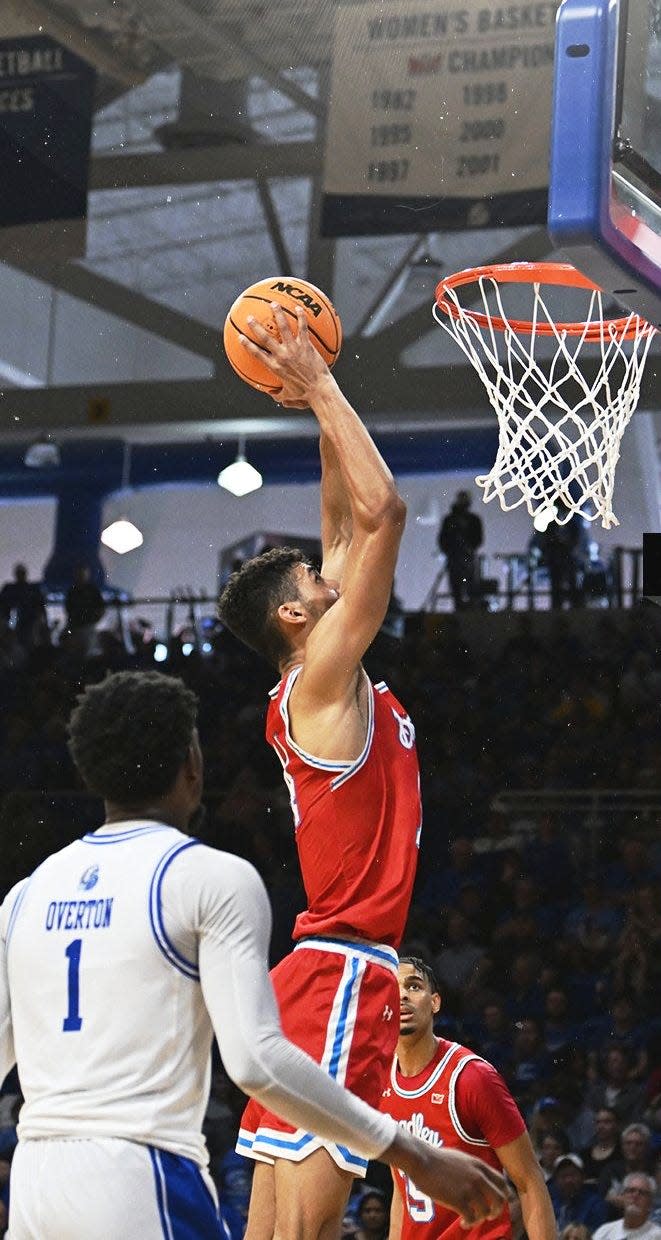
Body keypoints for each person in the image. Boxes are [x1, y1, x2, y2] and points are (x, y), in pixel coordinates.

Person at [0, 671, 506, 1240]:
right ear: (192, 762)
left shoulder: (25, 896)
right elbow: (254, 1062)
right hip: (138, 1174)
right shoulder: (210, 877)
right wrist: (414, 1154)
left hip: (34, 1180)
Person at [217, 306, 423, 1238]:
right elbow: (384, 513)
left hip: (317, 971)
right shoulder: (324, 678)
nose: (329, 576)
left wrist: (310, 400)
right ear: (297, 621)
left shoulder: (314, 673)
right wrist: (327, 387)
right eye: (313, 582)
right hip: (341, 971)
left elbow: (345, 516)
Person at [380, 956, 556, 1240]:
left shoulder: (472, 1077)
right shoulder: (382, 1083)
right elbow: (401, 1191)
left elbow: (529, 1181)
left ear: (435, 1002)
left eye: (413, 987)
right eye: (391, 988)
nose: (401, 995)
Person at [437, 490, 483, 610]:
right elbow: (443, 539)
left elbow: (478, 539)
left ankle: (470, 608)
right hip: (455, 559)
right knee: (457, 586)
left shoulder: (473, 520)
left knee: (470, 585)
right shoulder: (450, 520)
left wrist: (467, 547)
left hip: (467, 558)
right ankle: (460, 608)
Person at [548, 1154, 609, 1232]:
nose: (568, 1180)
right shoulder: (550, 1205)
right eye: (563, 1176)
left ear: (583, 1177)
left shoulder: (595, 1204)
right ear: (555, 1180)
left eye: (573, 1175)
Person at [592, 1173, 661, 1240]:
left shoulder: (658, 1235)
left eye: (642, 1193)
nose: (635, 1196)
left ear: (650, 1202)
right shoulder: (604, 1231)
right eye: (631, 1191)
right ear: (623, 1196)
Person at [0, 564, 47, 650]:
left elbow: (41, 608)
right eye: (19, 573)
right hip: (13, 624)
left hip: (31, 624)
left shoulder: (32, 590)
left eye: (22, 573)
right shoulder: (10, 590)